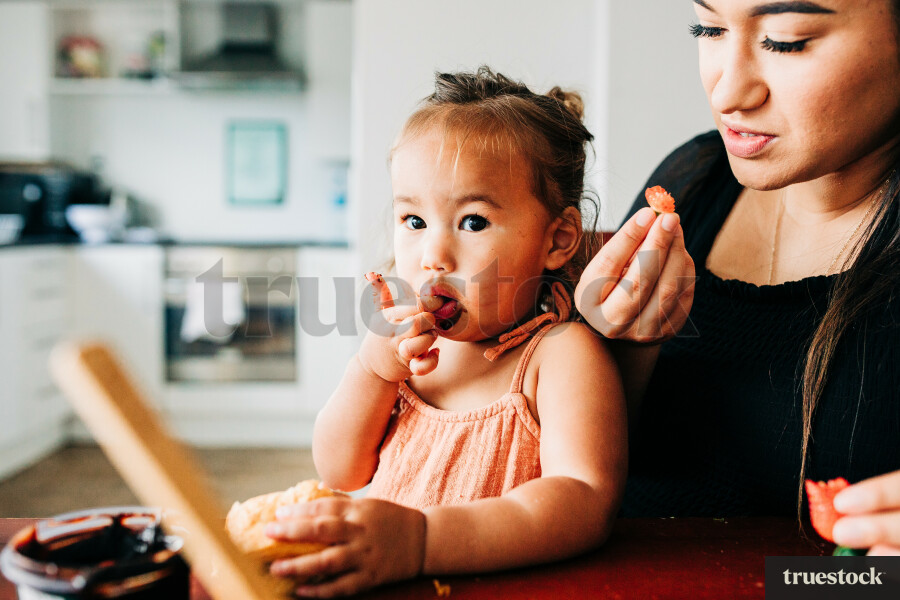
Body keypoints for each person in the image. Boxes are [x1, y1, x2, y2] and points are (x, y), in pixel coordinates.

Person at [264, 67, 628, 597]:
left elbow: (585, 499)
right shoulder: (400, 353)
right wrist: (370, 371)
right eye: (414, 221)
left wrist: (421, 541)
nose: (433, 256)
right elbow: (340, 470)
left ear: (558, 239)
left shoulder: (559, 357)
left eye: (473, 222)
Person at [575, 0, 900, 555]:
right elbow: (590, 489)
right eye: (708, 28)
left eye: (786, 40)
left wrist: (857, 581)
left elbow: (825, 582)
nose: (728, 94)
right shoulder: (692, 181)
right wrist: (606, 355)